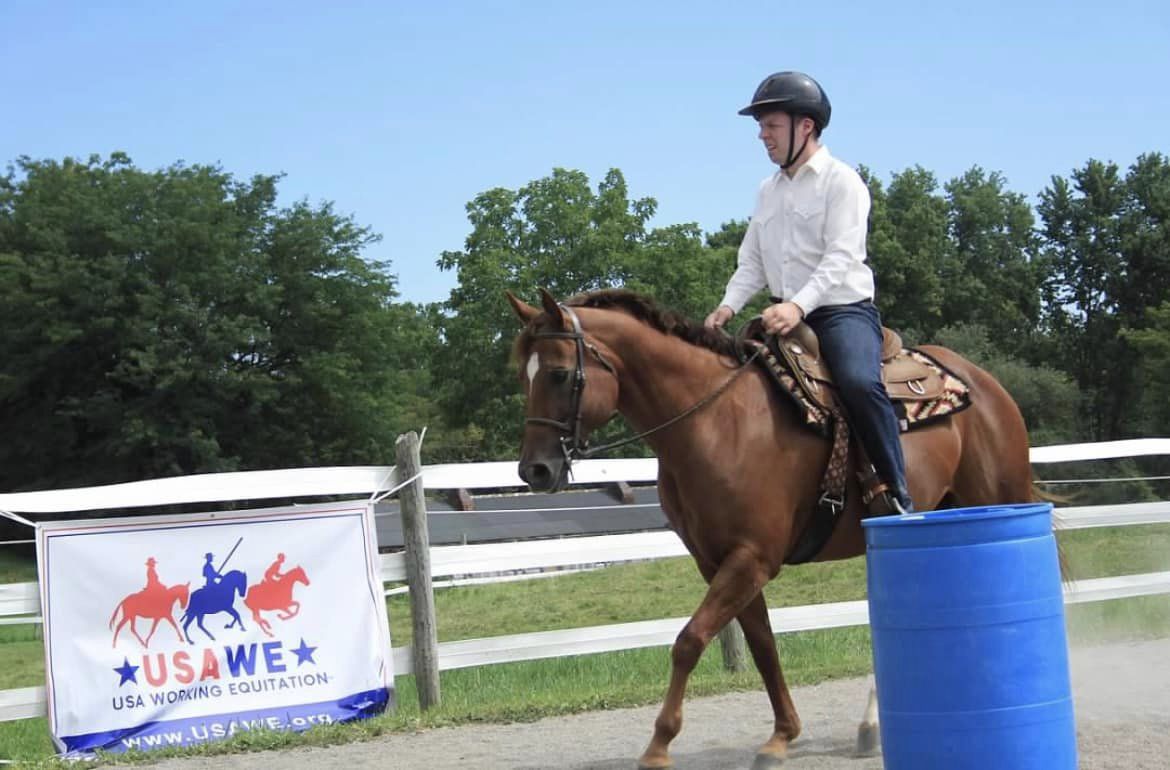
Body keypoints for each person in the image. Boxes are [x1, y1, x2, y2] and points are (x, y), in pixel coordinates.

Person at [704, 70, 913, 514]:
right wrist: (727, 305)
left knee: (857, 382)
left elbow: (840, 257)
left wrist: (798, 306)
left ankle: (896, 489)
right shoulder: (768, 191)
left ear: (806, 126)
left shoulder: (843, 182)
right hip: (782, 313)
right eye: (760, 127)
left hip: (841, 312)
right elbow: (753, 262)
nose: (762, 135)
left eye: (771, 125)